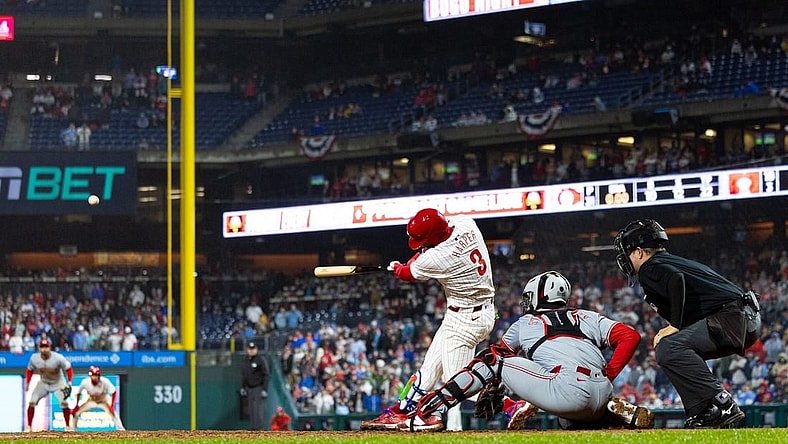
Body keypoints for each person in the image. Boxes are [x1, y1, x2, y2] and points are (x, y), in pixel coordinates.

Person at [397, 271, 654, 432]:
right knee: (569, 422)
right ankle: (609, 415)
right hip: (599, 389)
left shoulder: (525, 323)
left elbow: (495, 360)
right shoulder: (587, 315)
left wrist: (492, 388)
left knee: (491, 357)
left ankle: (430, 410)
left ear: (536, 297)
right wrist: (608, 375)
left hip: (565, 390)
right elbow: (630, 336)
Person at [613, 219, 762, 428]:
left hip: (733, 318)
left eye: (628, 253)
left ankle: (723, 403)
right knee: (673, 350)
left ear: (639, 252)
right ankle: (703, 412)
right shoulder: (667, 261)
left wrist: (675, 324)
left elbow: (676, 280)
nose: (626, 260)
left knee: (669, 347)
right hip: (740, 316)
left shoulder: (650, 267)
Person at [361, 208, 496, 431]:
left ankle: (511, 405)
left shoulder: (437, 257)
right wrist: (407, 262)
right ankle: (403, 410)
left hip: (467, 319)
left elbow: (407, 273)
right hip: (470, 312)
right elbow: (425, 251)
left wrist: (397, 268)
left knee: (456, 383)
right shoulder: (465, 223)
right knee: (429, 370)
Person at [25, 338, 74, 432]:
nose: (44, 349)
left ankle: (68, 426)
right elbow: (29, 370)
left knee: (64, 403)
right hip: (44, 382)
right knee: (32, 401)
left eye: (46, 347)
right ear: (39, 348)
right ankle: (29, 426)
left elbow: (69, 368)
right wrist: (28, 383)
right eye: (42, 347)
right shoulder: (34, 358)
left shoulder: (58, 357)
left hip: (58, 382)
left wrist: (69, 383)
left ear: (50, 347)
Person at [72, 366, 125, 431]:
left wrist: (111, 406)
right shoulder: (85, 382)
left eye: (96, 375)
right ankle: (73, 430)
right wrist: (76, 405)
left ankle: (121, 430)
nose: (94, 377)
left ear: (99, 376)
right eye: (93, 375)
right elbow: (78, 393)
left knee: (113, 413)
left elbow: (114, 392)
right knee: (75, 413)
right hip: (92, 400)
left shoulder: (105, 381)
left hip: (104, 400)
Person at [240, 342, 269, 430]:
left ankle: (260, 429)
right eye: (250, 349)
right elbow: (244, 375)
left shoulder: (260, 360)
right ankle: (253, 429)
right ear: (247, 350)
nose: (251, 351)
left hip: (258, 387)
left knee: (258, 409)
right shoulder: (245, 360)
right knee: (251, 409)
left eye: (253, 349)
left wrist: (264, 389)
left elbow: (266, 374)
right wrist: (243, 387)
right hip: (249, 388)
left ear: (256, 349)